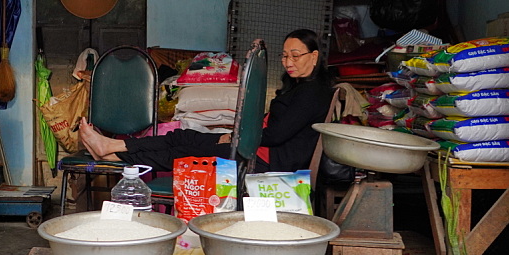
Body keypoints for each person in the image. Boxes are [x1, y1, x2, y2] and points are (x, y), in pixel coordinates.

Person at [78, 29, 334, 173]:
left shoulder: (312, 92)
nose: (288, 62)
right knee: (182, 136)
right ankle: (113, 147)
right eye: (285, 56)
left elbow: (277, 135)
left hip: (265, 160)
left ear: (314, 57)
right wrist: (236, 136)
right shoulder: (302, 87)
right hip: (256, 148)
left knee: (184, 152)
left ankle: (113, 154)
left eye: (296, 56)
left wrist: (236, 138)